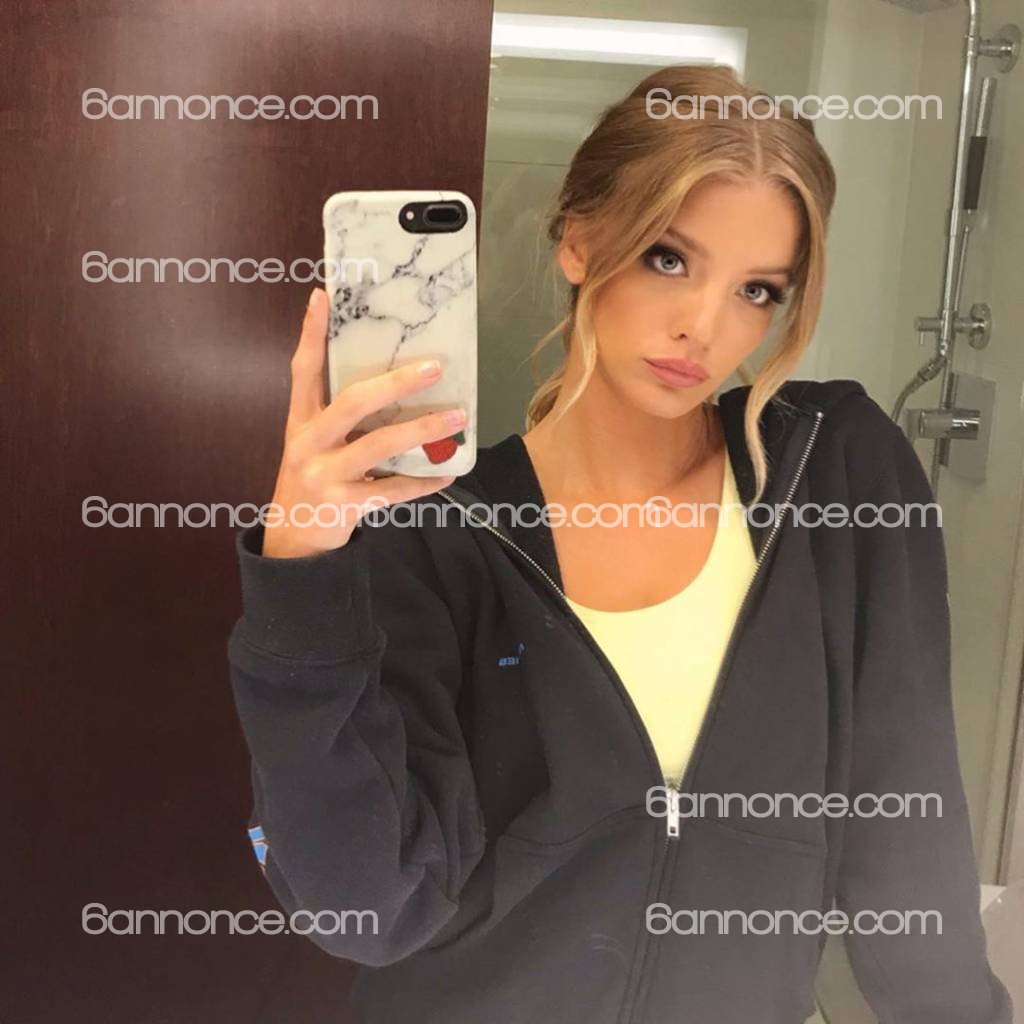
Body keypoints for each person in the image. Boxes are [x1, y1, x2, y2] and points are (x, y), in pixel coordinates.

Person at [227, 64, 1013, 1023]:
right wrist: (301, 571)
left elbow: (907, 830)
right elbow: (366, 906)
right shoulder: (434, 524)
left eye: (757, 290)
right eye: (669, 258)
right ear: (580, 238)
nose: (705, 327)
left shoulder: (834, 475)